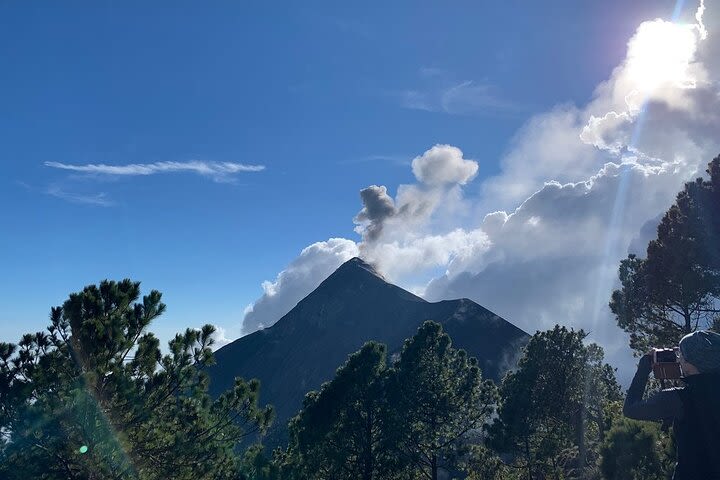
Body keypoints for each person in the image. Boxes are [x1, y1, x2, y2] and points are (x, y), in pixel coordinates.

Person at [624, 330, 720, 479]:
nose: (678, 359)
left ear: (689, 363)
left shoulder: (679, 398)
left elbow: (631, 408)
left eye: (681, 355)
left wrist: (645, 366)